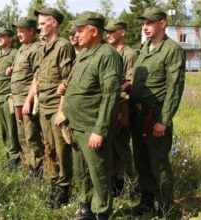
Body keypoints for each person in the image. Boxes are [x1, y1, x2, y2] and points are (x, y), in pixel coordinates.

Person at [62, 11, 122, 219]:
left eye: (80, 31)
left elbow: (111, 95)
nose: (76, 35)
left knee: (99, 173)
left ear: (94, 31)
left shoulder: (107, 55)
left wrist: (100, 130)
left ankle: (102, 212)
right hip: (77, 125)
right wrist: (66, 87)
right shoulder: (85, 54)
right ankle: (86, 207)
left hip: (92, 127)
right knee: (82, 172)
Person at [129, 7, 185, 218]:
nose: (145, 27)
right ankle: (146, 202)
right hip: (138, 116)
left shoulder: (172, 50)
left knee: (159, 164)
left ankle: (166, 208)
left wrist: (164, 120)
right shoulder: (144, 48)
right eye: (143, 23)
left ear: (162, 23)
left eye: (149, 22)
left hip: (155, 117)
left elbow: (174, 87)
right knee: (141, 161)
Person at [24, 7, 75, 209]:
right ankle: (56, 181)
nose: (39, 28)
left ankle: (64, 189)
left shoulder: (63, 46)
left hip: (56, 108)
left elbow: (68, 80)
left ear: (54, 23)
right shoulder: (44, 48)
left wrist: (61, 111)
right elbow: (38, 77)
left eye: (43, 23)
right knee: (50, 149)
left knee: (63, 151)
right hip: (44, 107)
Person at [105, 20, 138, 197]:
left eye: (112, 31)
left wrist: (115, 89)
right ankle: (115, 182)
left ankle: (128, 183)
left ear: (122, 32)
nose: (108, 34)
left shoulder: (129, 54)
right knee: (110, 146)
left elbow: (131, 81)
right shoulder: (108, 52)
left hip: (122, 105)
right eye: (107, 31)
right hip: (109, 104)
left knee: (122, 146)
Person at [10, 17, 45, 180]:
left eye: (21, 30)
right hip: (17, 101)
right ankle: (30, 167)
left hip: (27, 102)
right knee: (22, 136)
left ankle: (39, 170)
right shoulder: (22, 49)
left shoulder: (36, 48)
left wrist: (28, 100)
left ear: (32, 31)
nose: (18, 34)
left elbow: (37, 76)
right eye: (17, 31)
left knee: (32, 137)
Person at [0, 27, 21, 171]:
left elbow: (22, 73)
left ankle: (15, 159)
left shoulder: (15, 54)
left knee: (12, 128)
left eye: (2, 36)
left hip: (9, 97)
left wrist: (13, 72)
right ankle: (9, 155)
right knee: (4, 129)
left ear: (10, 38)